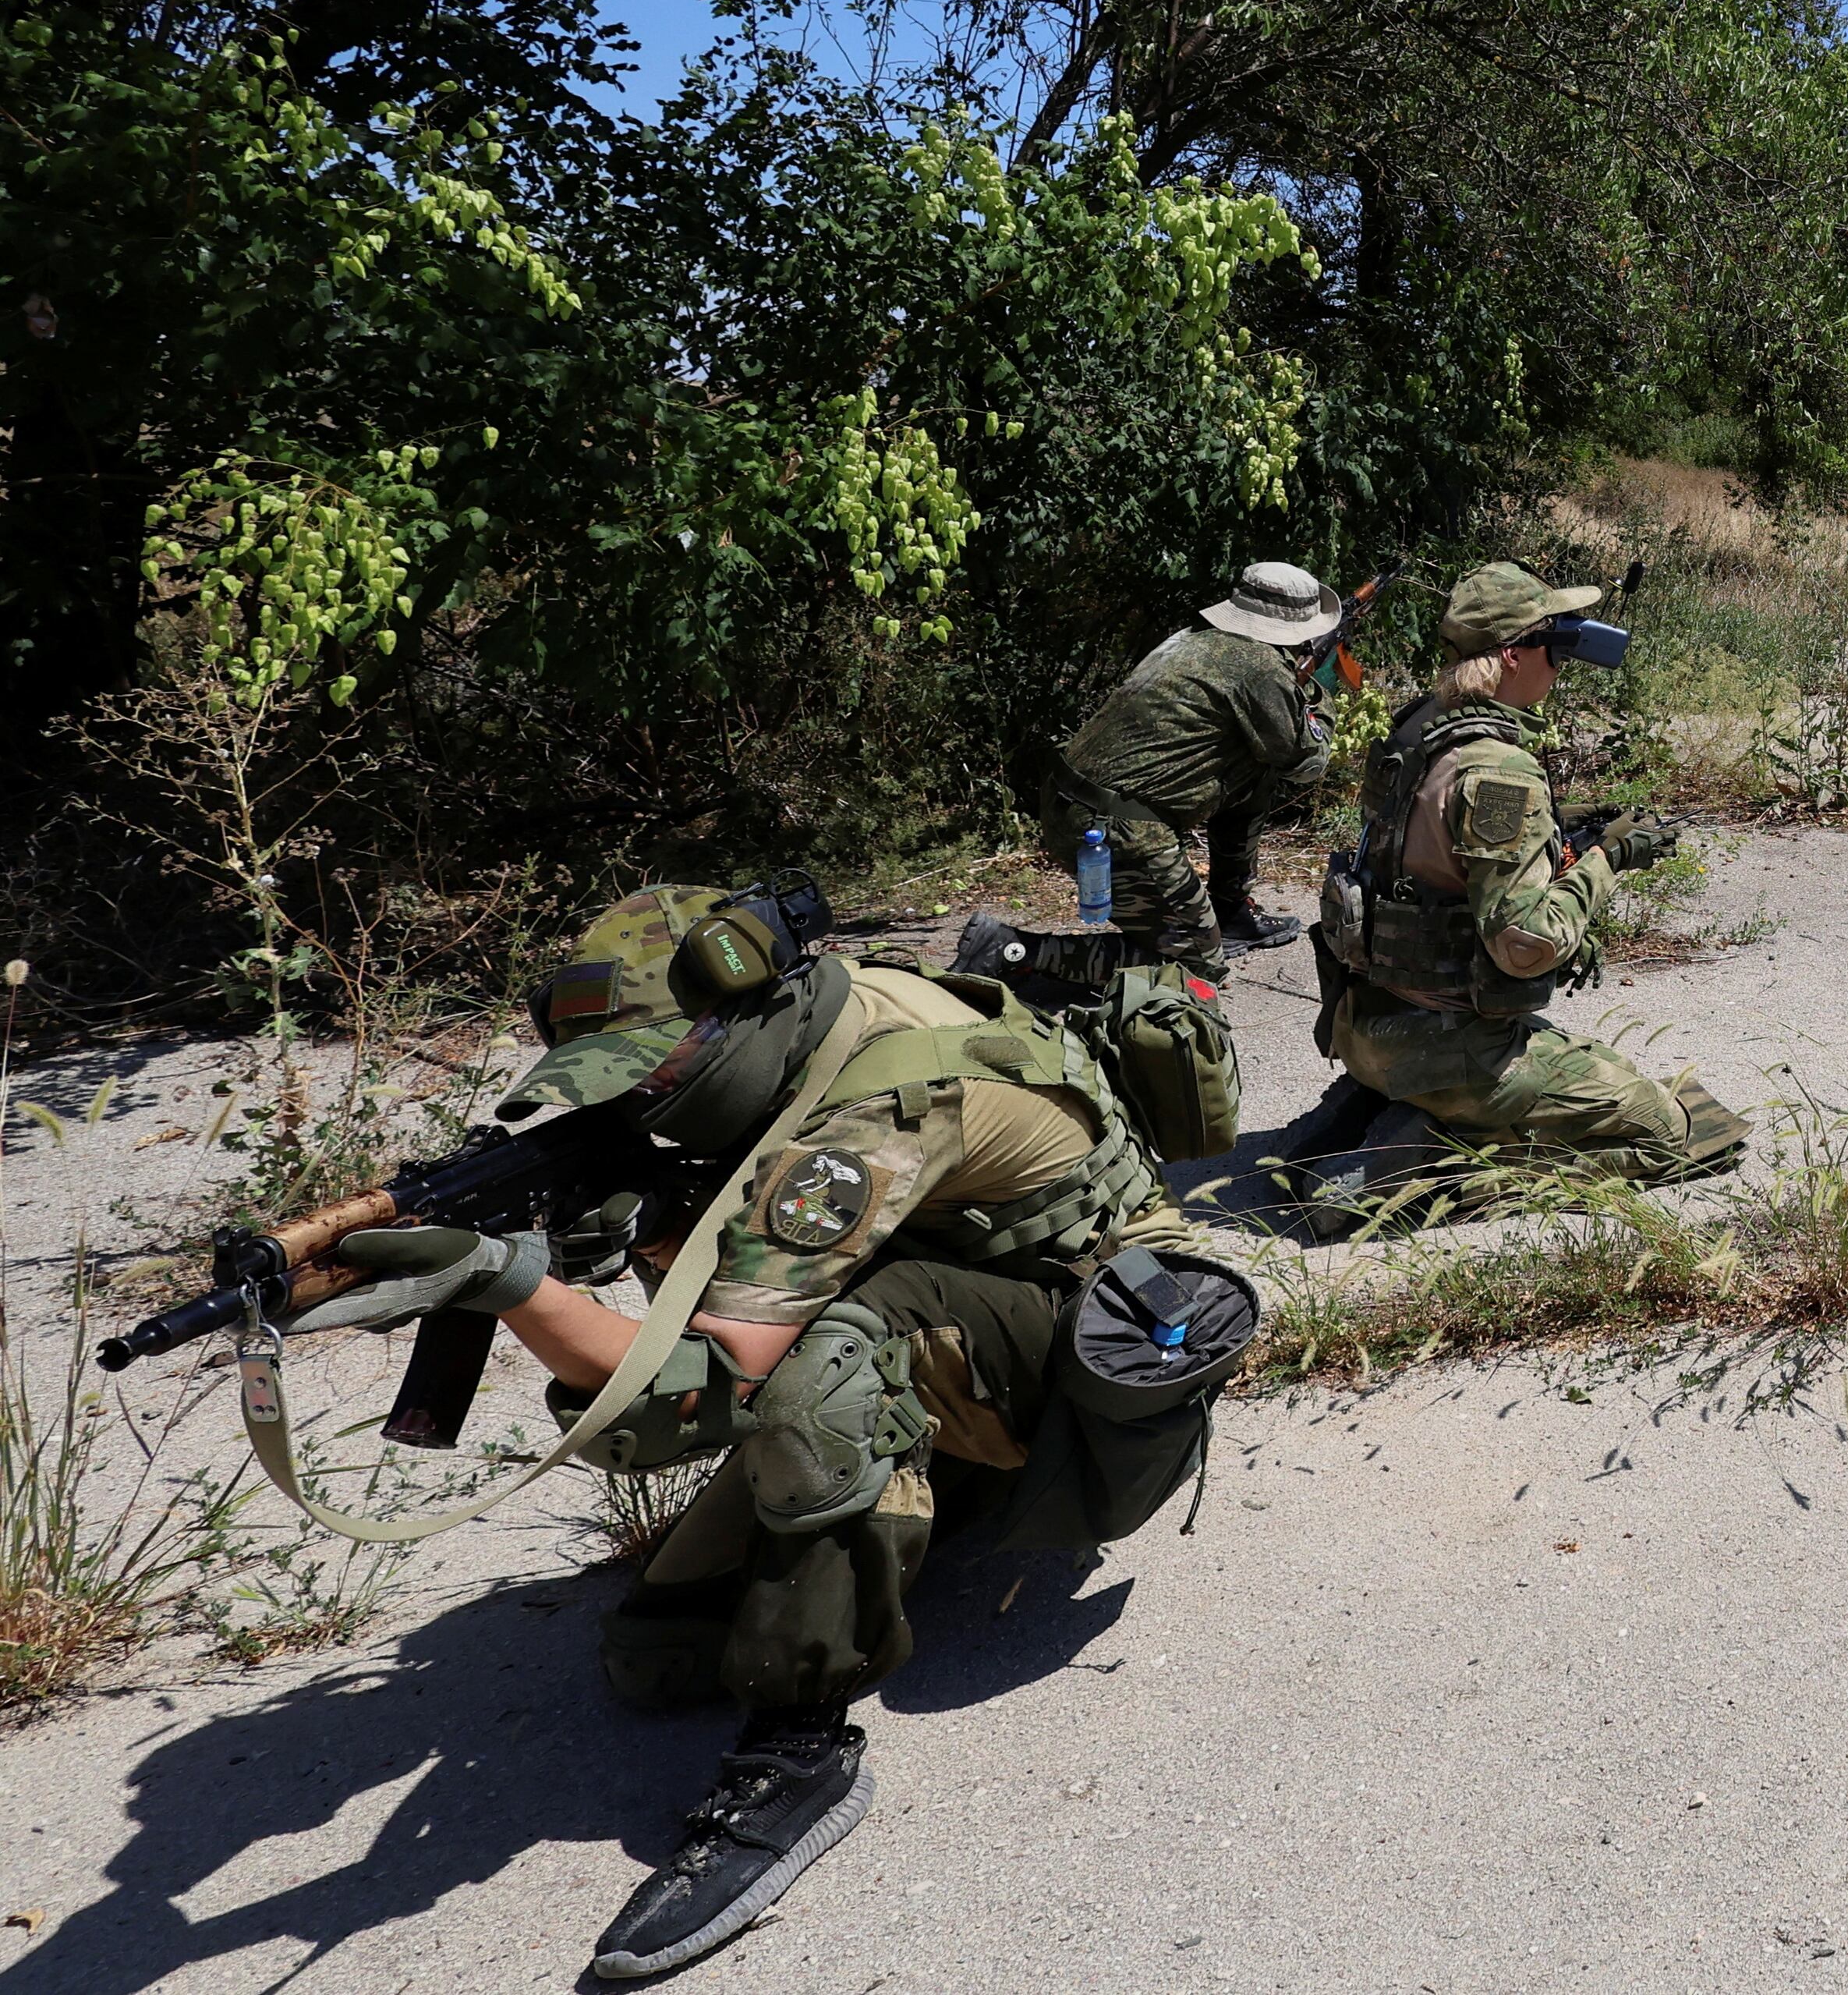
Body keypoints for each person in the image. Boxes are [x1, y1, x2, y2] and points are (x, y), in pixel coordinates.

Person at [291, 883, 1248, 1979]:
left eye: (657, 1072)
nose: (644, 1101)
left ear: (746, 1011)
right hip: (966, 1298)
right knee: (657, 1660)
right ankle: (894, 1497)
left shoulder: (877, 1112)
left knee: (820, 1357)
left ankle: (800, 1752)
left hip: (1082, 1381)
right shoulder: (822, 1013)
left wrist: (504, 1283)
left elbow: (692, 1392)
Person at [1312, 561, 1748, 1217]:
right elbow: (1526, 945)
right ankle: (1439, 1165)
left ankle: (1398, 1113)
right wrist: (1606, 860)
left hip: (1368, 1023)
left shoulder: (1417, 731)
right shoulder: (1500, 770)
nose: (1563, 661)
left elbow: (1428, 853)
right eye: (1555, 644)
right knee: (1671, 1134)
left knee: (1615, 1076)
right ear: (1513, 655)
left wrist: (1558, 834)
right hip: (1450, 1049)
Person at [1046, 562, 1344, 971]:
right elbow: (1309, 763)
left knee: (1256, 769)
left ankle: (1231, 909)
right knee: (1197, 967)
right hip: (1119, 832)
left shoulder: (1191, 640)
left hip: (1071, 804)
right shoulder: (1259, 668)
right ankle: (1016, 952)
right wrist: (1316, 690)